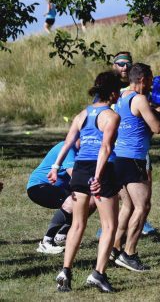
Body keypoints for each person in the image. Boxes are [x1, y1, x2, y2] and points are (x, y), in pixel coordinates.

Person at [49, 71, 122, 293]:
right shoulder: (111, 116)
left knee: (78, 223)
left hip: (80, 169)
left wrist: (55, 167)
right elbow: (105, 148)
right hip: (100, 169)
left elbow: (68, 142)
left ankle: (65, 271)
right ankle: (98, 274)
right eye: (118, 90)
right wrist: (98, 177)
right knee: (109, 225)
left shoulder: (82, 115)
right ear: (112, 93)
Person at [111, 63, 160, 272]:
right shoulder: (139, 99)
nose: (151, 83)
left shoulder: (121, 97)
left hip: (118, 157)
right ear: (142, 79)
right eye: (150, 79)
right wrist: (159, 109)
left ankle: (114, 249)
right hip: (134, 158)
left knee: (127, 206)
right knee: (143, 206)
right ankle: (129, 253)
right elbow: (157, 128)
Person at [27, 141, 97, 254]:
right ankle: (46, 242)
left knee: (92, 201)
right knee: (72, 200)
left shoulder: (89, 150)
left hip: (62, 188)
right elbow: (75, 176)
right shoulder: (69, 147)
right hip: (39, 186)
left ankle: (62, 235)